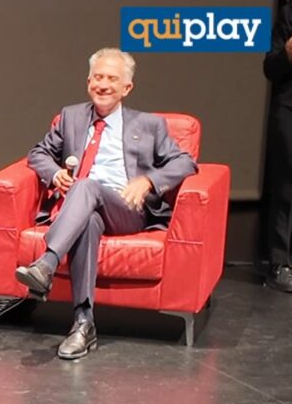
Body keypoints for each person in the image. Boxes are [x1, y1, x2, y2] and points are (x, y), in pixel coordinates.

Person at [16, 47, 198, 359]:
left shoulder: (148, 125)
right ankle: (84, 324)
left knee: (88, 186)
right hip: (83, 209)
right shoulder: (71, 117)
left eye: (111, 79)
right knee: (87, 220)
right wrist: (55, 172)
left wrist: (149, 180)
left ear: (127, 88)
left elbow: (185, 163)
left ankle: (46, 264)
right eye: (97, 77)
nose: (103, 85)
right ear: (88, 81)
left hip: (126, 209)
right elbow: (39, 153)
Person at [263, 0, 292, 293]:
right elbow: (270, 67)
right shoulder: (288, 17)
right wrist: (286, 53)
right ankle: (279, 263)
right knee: (287, 187)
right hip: (290, 110)